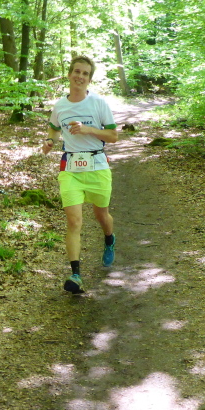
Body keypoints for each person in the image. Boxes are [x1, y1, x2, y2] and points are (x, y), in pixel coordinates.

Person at [41, 55, 119, 294]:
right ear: (69, 74)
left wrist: (88, 130)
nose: (80, 76)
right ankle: (75, 275)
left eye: (85, 73)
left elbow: (113, 136)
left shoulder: (98, 103)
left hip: (97, 165)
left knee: (101, 215)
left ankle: (109, 239)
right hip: (71, 168)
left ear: (89, 79)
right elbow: (54, 129)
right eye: (77, 71)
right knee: (74, 221)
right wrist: (49, 141)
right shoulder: (60, 106)